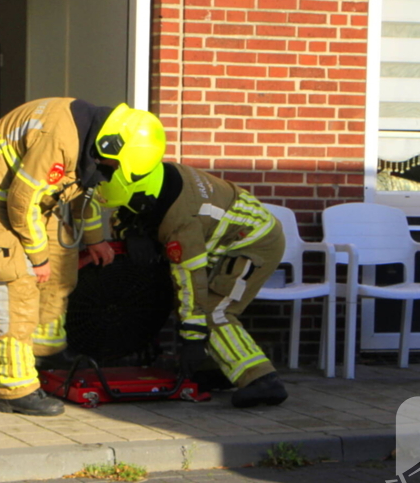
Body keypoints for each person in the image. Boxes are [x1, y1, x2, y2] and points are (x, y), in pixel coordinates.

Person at [0, 98, 166, 416]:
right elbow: (22, 202)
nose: (112, 171)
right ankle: (16, 388)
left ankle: (46, 349)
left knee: (63, 264)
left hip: (30, 195)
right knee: (16, 282)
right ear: (112, 145)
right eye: (115, 166)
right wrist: (36, 257)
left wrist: (95, 240)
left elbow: (86, 190)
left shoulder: (94, 140)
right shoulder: (61, 141)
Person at [98, 161, 289, 408]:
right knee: (203, 306)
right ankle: (224, 368)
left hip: (254, 243)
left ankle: (263, 380)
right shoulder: (150, 174)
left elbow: (190, 279)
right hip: (229, 239)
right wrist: (130, 232)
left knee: (213, 310)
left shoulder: (181, 222)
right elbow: (125, 211)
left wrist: (193, 338)